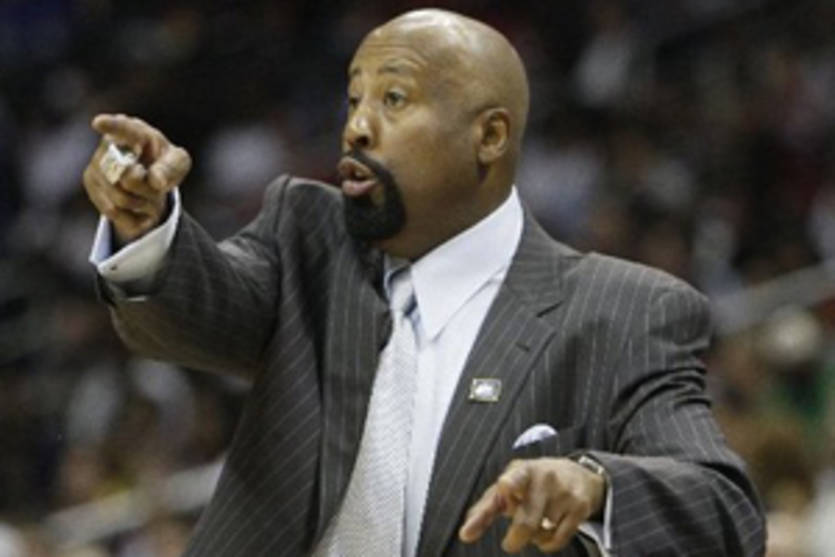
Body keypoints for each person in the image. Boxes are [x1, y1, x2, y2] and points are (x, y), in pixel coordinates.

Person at [82, 8, 765, 557]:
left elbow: (725, 511)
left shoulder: (620, 309)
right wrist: (147, 225)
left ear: (489, 136)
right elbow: (197, 309)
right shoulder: (306, 237)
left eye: (394, 98)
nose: (356, 127)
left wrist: (595, 486)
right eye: (353, 99)